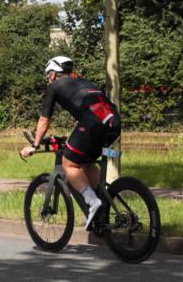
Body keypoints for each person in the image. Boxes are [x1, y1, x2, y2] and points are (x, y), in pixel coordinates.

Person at [21, 56, 121, 229]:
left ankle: (92, 202)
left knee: (69, 164)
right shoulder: (83, 82)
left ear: (53, 74)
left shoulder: (54, 86)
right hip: (113, 121)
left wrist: (34, 145)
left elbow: (45, 120)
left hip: (93, 123)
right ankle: (104, 201)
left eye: (48, 75)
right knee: (86, 162)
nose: (48, 79)